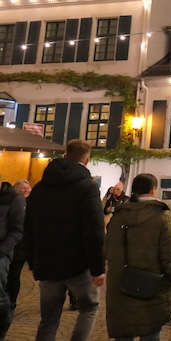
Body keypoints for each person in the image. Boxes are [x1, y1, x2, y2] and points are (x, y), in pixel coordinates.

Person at [25, 139, 105, 341]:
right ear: (86, 159)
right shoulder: (87, 187)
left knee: (49, 319)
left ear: (65, 154)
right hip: (77, 264)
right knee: (89, 307)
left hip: (47, 263)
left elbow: (29, 227)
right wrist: (97, 268)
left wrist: (34, 262)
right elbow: (94, 230)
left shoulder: (41, 187)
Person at [104, 174, 171, 341]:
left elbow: (108, 248)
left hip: (120, 282)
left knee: (123, 329)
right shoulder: (162, 216)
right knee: (150, 330)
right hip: (151, 282)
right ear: (153, 189)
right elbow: (169, 252)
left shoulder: (119, 215)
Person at [0, 176, 25, 337]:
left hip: (1, 253)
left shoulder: (14, 199)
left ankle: (3, 324)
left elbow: (17, 230)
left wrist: (3, 251)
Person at [7, 180, 30, 313]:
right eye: (23, 189)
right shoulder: (11, 203)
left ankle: (11, 303)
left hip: (21, 246)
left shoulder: (32, 205)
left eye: (28, 189)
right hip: (9, 244)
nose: (26, 191)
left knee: (14, 275)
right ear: (16, 190)